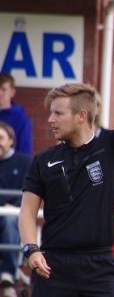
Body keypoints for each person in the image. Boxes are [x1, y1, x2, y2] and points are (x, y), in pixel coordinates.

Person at [18, 29, 114, 297]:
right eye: (49, 113)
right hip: (53, 268)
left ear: (81, 115)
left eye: (58, 113)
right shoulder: (44, 160)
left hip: (100, 268)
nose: (50, 120)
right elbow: (27, 212)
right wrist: (31, 249)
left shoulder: (112, 147)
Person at [0, 122, 31, 297]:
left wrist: (15, 206)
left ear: (11, 140)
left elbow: (30, 193)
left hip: (13, 218)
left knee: (11, 219)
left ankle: (8, 275)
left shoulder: (25, 162)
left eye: (1, 138)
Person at [0, 72, 32, 154]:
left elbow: (25, 150)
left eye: (3, 89)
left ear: (12, 92)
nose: (0, 93)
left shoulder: (21, 118)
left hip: (10, 165)